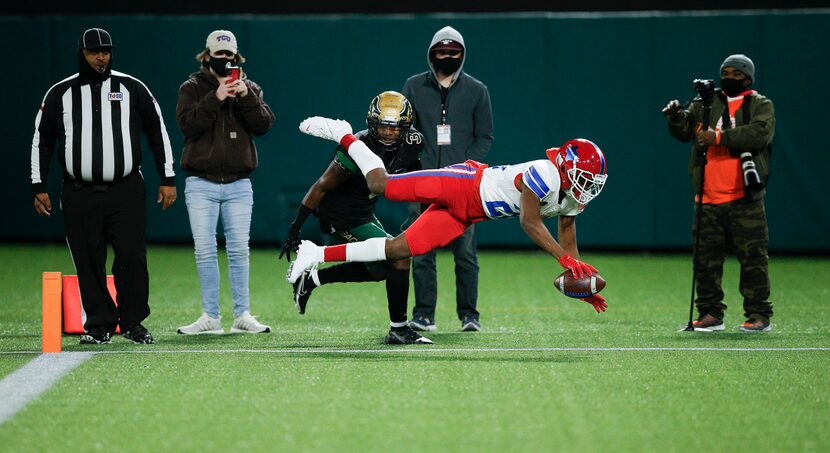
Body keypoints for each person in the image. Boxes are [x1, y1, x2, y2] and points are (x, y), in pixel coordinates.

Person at [290, 116, 608, 315]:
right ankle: (343, 133)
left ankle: (315, 252)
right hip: (461, 184)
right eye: (585, 178)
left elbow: (569, 241)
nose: (587, 187)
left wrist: (581, 284)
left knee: (399, 249)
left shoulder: (571, 199)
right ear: (566, 165)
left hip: (467, 214)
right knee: (380, 182)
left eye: (592, 183)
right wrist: (562, 261)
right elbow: (530, 221)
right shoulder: (547, 173)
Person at [30, 27, 177, 344]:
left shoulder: (131, 88)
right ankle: (99, 324)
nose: (102, 57)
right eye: (95, 52)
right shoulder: (60, 93)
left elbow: (157, 131)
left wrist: (167, 178)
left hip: (125, 189)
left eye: (107, 51)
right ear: (81, 54)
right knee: (87, 258)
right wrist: (37, 184)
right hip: (79, 191)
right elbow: (41, 140)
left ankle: (134, 322)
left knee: (131, 256)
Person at [279, 91, 432, 344]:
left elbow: (416, 172)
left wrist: (426, 211)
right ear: (373, 124)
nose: (389, 133)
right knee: (400, 257)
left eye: (396, 128)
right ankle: (399, 329)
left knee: (382, 269)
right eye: (383, 126)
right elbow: (321, 187)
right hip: (340, 216)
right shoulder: (356, 148)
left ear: (406, 128)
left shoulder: (414, 141)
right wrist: (296, 228)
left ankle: (312, 279)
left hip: (365, 212)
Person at [663, 54, 775, 332]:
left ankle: (759, 315)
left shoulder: (760, 104)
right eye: (726, 72)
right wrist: (676, 117)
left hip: (744, 198)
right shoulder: (705, 103)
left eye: (737, 73)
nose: (730, 77)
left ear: (748, 78)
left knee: (753, 259)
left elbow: (760, 134)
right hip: (707, 197)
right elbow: (684, 132)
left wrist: (720, 138)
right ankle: (710, 313)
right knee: (705, 262)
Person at [175, 30, 275, 335]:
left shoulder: (250, 88)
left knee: (239, 250)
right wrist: (216, 97)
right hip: (201, 182)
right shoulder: (192, 87)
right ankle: (211, 316)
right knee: (205, 250)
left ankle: (242, 314)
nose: (226, 60)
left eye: (230, 56)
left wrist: (245, 97)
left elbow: (264, 124)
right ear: (206, 56)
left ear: (237, 57)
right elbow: (188, 126)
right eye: (219, 55)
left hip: (238, 182)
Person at [401, 25, 494, 332]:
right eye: (441, 52)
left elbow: (484, 137)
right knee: (422, 251)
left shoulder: (477, 90)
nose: (447, 57)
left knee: (465, 252)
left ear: (462, 55)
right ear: (431, 54)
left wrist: (468, 168)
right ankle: (423, 315)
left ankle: (469, 316)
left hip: (462, 186)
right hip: (422, 182)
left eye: (453, 52)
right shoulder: (413, 87)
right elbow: (403, 131)